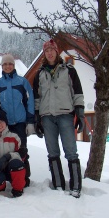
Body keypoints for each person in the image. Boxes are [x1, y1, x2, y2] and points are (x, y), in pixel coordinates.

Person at [33, 39, 85, 198]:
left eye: (52, 50)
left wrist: (80, 113)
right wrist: (36, 118)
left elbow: (77, 92)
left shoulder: (69, 70)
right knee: (52, 152)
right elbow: (36, 98)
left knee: (71, 151)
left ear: (56, 52)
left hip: (65, 115)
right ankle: (58, 185)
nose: (49, 53)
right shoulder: (39, 74)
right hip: (47, 117)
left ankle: (75, 186)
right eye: (46, 50)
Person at [0, 53, 35, 187]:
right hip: (4, 125)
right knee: (4, 151)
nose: (7, 66)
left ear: (13, 66)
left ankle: (24, 178)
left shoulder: (22, 82)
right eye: (5, 64)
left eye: (10, 64)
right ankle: (7, 176)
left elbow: (30, 102)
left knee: (22, 150)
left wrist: (30, 122)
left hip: (20, 123)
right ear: (2, 66)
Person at [0, 109, 27, 197]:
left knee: (18, 164)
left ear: (6, 123)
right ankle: (1, 189)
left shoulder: (14, 137)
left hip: (11, 166)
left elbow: (22, 154)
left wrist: (8, 156)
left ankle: (18, 189)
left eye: (2, 122)